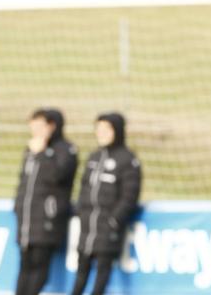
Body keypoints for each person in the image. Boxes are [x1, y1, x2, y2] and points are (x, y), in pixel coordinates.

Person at [70, 112, 141, 295]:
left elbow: (129, 196)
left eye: (106, 129)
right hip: (87, 227)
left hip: (107, 228)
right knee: (81, 274)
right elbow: (84, 187)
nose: (101, 133)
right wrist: (81, 212)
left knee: (102, 274)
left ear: (117, 131)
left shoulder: (128, 159)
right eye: (98, 129)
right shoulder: (94, 157)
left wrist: (113, 220)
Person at [14, 108, 78, 295]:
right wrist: (18, 206)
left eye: (40, 125)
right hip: (27, 217)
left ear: (52, 126)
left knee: (39, 266)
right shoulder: (31, 149)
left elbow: (58, 176)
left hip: (47, 218)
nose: (35, 130)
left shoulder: (65, 150)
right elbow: (23, 181)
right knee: (25, 265)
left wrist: (42, 153)